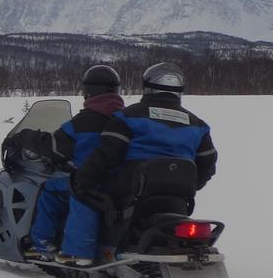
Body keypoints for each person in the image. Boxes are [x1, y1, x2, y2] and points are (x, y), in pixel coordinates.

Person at [72, 62, 217, 251]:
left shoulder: (128, 116)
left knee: (83, 192)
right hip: (180, 192)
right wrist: (191, 184)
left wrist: (83, 179)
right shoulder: (198, 124)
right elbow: (208, 163)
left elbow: (108, 154)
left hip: (132, 185)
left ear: (147, 87)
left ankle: (81, 251)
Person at [14, 65, 125, 265]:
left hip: (89, 182)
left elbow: (54, 146)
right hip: (120, 183)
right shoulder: (125, 118)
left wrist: (26, 138)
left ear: (89, 91)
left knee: (49, 190)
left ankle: (41, 245)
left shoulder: (83, 122)